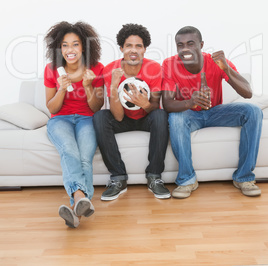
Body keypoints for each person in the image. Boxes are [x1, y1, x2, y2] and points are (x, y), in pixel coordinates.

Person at [162, 26, 263, 199]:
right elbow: (167, 104)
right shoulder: (169, 64)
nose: (184, 48)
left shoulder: (216, 62)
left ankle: (244, 177)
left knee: (253, 111)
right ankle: (187, 180)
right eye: (180, 45)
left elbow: (247, 93)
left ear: (201, 45)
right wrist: (190, 102)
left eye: (190, 43)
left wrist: (226, 69)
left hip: (215, 112)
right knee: (175, 118)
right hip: (190, 114)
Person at [93, 23, 170, 200]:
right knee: (99, 117)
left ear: (144, 49)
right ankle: (118, 178)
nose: (133, 50)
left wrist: (144, 103)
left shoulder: (154, 68)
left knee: (160, 115)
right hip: (123, 119)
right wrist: (113, 86)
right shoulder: (110, 70)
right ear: (121, 48)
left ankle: (154, 177)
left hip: (146, 117)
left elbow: (154, 106)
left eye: (138, 46)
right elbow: (118, 116)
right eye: (128, 45)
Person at [44, 21, 104, 228]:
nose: (70, 50)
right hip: (60, 120)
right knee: (69, 150)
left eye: (75, 44)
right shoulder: (52, 70)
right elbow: (52, 108)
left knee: (85, 158)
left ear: (84, 46)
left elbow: (97, 107)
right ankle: (80, 200)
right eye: (65, 45)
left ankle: (76, 212)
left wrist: (88, 86)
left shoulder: (96, 68)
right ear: (59, 48)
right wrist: (61, 89)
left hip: (87, 118)